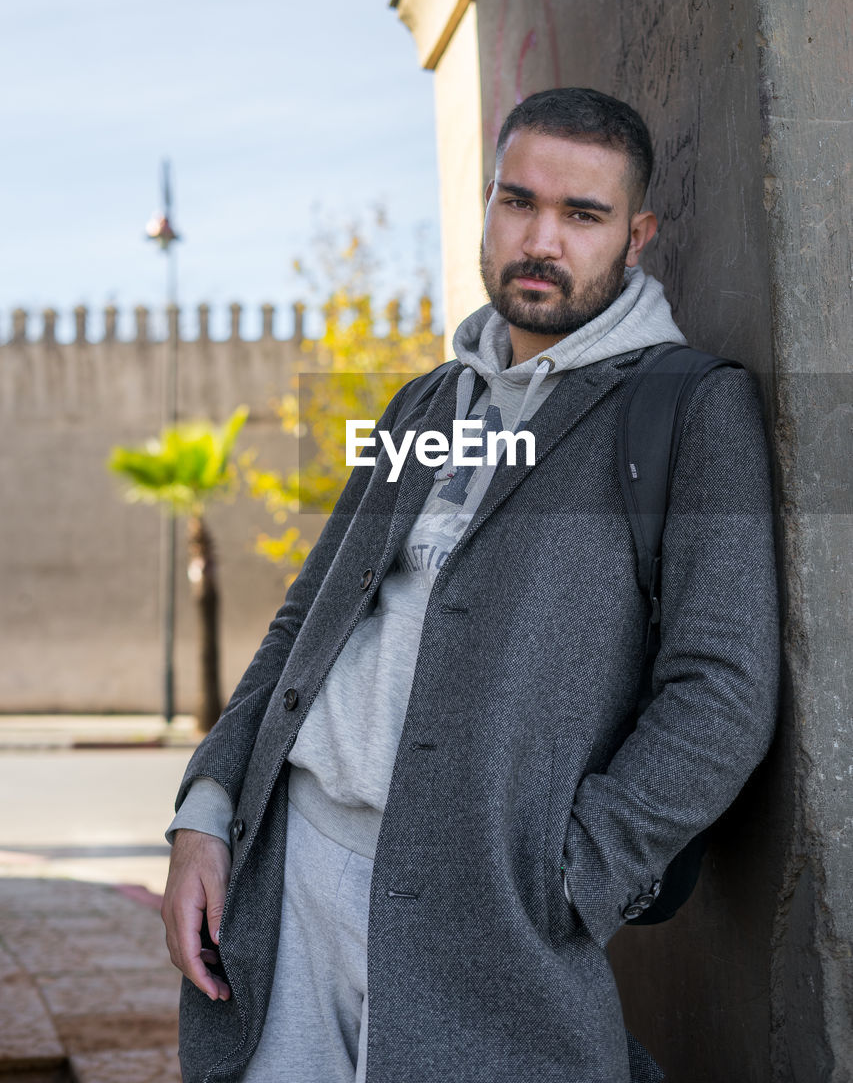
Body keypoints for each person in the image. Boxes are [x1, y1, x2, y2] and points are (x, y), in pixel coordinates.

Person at [162, 87, 781, 1083]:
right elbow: (303, 622)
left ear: (637, 233)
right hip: (292, 871)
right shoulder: (423, 401)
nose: (541, 239)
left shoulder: (687, 408)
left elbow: (723, 687)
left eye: (581, 215)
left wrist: (574, 869)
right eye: (517, 202)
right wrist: (206, 811)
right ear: (487, 204)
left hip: (484, 904)